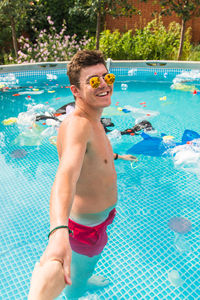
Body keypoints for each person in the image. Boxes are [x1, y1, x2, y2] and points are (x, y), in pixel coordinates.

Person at [28, 50, 137, 299]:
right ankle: (77, 289)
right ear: (75, 91)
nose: (103, 85)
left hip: (99, 218)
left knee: (86, 264)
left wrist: (118, 158)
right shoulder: (78, 124)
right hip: (86, 227)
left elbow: (94, 159)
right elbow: (66, 174)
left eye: (106, 78)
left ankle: (83, 276)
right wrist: (58, 231)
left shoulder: (93, 118)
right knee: (80, 270)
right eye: (93, 81)